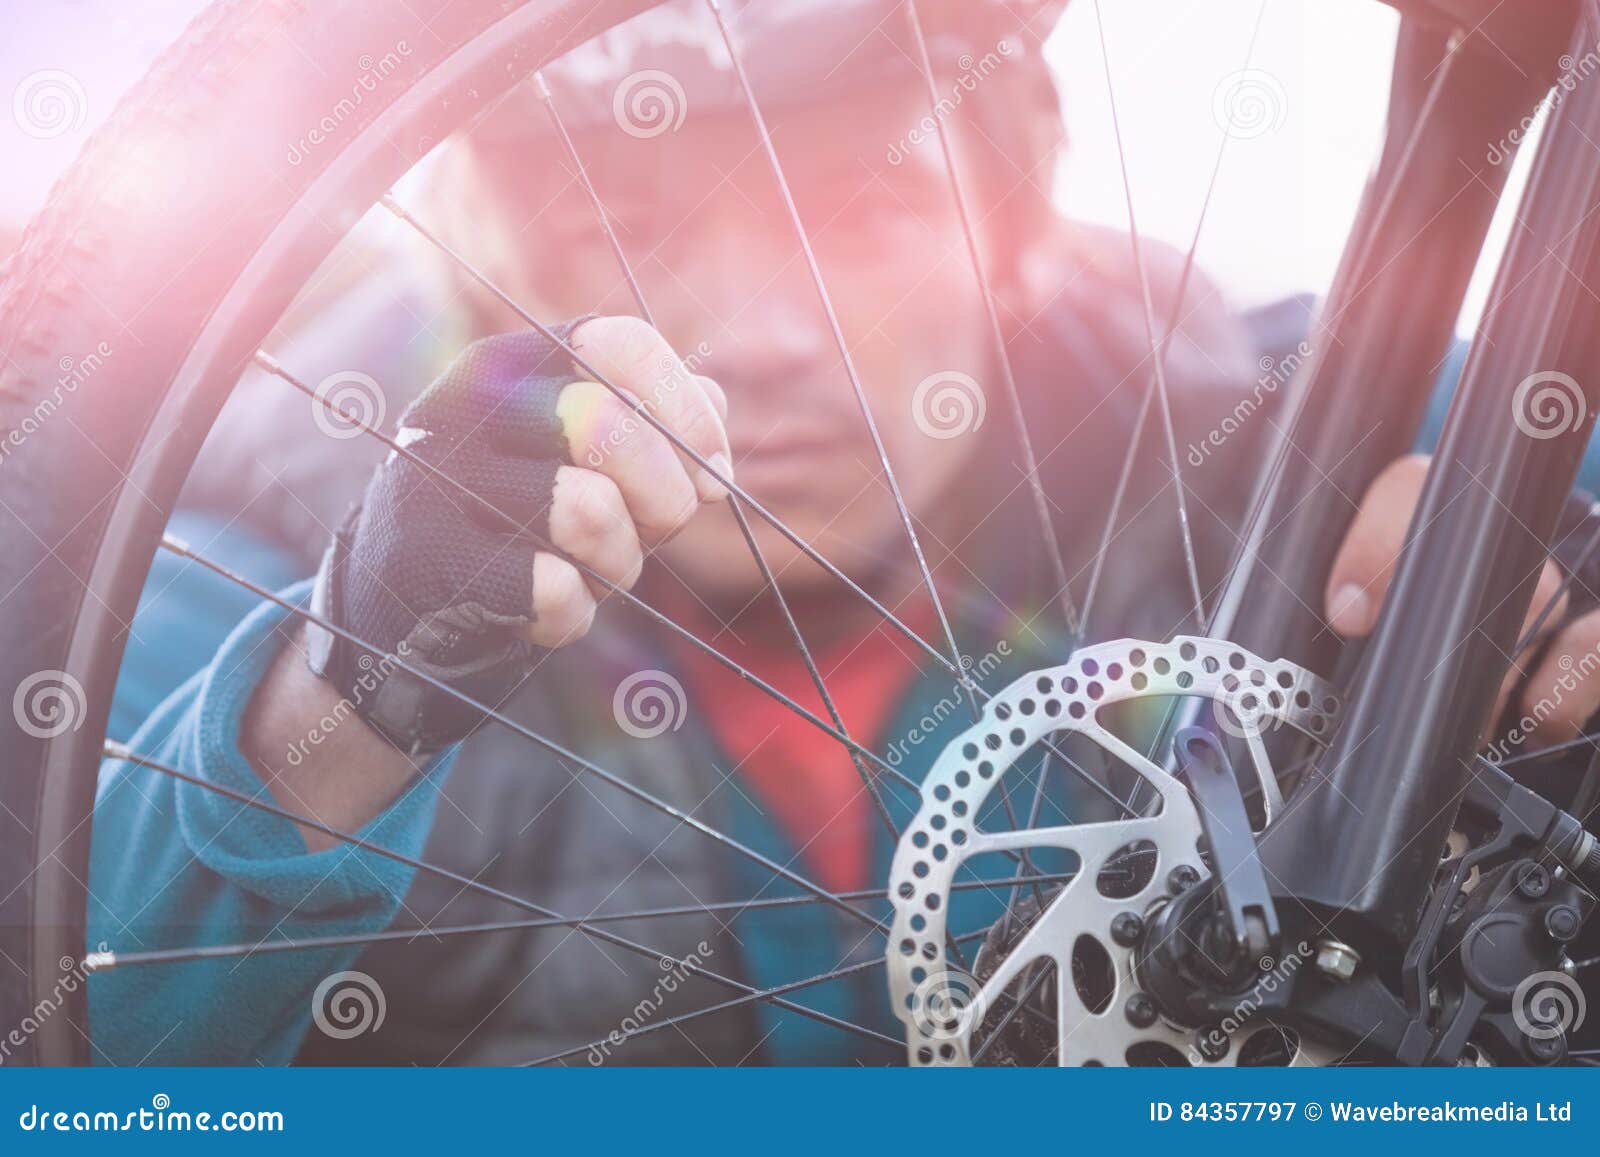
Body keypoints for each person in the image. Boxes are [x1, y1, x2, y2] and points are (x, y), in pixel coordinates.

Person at [87, 0, 1600, 1067]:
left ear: (1016, 223)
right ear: (481, 263)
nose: (764, 337)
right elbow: (62, 1048)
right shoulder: (213, 547)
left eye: (868, 208)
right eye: (633, 223)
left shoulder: (1320, 426)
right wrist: (339, 694)